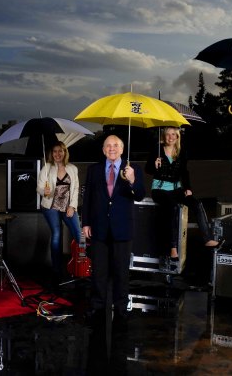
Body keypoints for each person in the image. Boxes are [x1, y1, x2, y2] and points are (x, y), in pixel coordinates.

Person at [81, 135, 146, 328]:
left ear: (122, 149)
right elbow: (88, 199)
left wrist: (132, 180)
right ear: (103, 150)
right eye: (108, 145)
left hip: (122, 227)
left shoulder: (132, 169)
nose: (112, 148)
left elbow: (141, 195)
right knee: (99, 271)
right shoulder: (93, 170)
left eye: (116, 145)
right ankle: (97, 306)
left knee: (121, 272)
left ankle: (120, 308)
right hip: (99, 227)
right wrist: (86, 223)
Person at [145, 126, 219, 263]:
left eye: (174, 134)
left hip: (176, 189)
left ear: (178, 137)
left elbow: (184, 172)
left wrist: (188, 188)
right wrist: (154, 165)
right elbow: (147, 169)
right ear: (163, 136)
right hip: (160, 190)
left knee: (196, 204)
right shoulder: (157, 150)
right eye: (168, 134)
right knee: (172, 208)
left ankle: (207, 239)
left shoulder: (181, 151)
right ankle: (172, 247)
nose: (171, 137)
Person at [36, 141, 81, 287]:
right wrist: (44, 191)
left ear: (65, 152)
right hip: (51, 206)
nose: (57, 154)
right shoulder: (47, 168)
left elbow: (75, 189)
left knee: (79, 235)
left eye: (60, 151)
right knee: (57, 234)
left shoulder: (72, 168)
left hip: (67, 206)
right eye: (55, 151)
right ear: (51, 153)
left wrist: (73, 206)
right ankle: (56, 270)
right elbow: (39, 187)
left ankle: (79, 267)